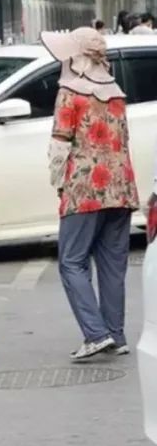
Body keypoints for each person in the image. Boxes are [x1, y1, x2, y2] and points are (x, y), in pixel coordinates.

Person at [44, 27, 138, 359]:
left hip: (84, 188)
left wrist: (59, 183)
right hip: (121, 186)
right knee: (113, 266)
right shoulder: (116, 93)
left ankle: (96, 334)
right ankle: (116, 334)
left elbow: (60, 145)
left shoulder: (70, 92)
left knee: (71, 261)